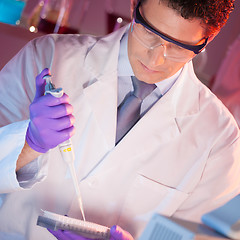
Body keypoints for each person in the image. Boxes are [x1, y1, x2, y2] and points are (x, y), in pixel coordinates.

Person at [0, 0, 240, 239]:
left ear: (208, 40)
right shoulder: (48, 56)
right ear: (134, 7)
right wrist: (30, 145)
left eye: (179, 47)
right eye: (149, 32)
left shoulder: (219, 138)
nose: (155, 59)